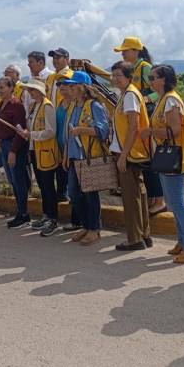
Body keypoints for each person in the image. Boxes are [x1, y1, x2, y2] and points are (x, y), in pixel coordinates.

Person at [140, 65, 184, 263]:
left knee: (177, 203)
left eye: (153, 77)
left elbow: (174, 130)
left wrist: (151, 133)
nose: (150, 80)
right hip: (168, 156)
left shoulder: (171, 100)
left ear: (164, 79)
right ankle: (183, 241)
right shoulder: (164, 99)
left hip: (174, 156)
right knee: (174, 202)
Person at [114, 36, 166, 217]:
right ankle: (153, 198)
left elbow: (160, 92)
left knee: (150, 159)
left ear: (136, 51)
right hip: (141, 118)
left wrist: (145, 99)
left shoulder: (145, 69)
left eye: (125, 50)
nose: (123, 53)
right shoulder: (133, 69)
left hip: (147, 118)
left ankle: (159, 200)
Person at [63, 71, 109, 245]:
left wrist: (82, 131)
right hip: (75, 157)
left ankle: (94, 229)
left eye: (73, 85)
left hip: (89, 157)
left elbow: (102, 131)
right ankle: (86, 225)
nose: (70, 89)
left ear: (83, 88)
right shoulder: (74, 106)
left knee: (90, 194)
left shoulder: (94, 106)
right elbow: (69, 132)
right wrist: (66, 154)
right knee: (74, 194)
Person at [109, 61, 151, 250]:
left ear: (128, 76)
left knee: (130, 196)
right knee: (138, 193)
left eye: (119, 75)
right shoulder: (127, 94)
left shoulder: (129, 96)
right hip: (132, 151)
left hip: (129, 152)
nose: (115, 78)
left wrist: (123, 155)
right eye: (113, 75)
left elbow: (134, 126)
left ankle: (134, 239)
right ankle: (144, 235)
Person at [19, 78, 60, 237]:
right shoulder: (35, 106)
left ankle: (53, 218)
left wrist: (31, 134)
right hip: (36, 150)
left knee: (49, 186)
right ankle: (46, 215)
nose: (31, 92)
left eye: (33, 90)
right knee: (43, 186)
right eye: (30, 90)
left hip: (46, 151)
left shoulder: (47, 106)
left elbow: (51, 131)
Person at [0, 76, 31, 229]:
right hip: (4, 145)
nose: (0, 90)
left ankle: (24, 214)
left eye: (2, 87)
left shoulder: (17, 106)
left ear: (11, 88)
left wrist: (13, 151)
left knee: (19, 181)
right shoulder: (1, 104)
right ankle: (20, 212)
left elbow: (20, 131)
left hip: (14, 146)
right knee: (12, 181)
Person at [55, 81, 82, 230]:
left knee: (76, 189)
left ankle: (81, 222)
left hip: (76, 151)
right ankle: (78, 222)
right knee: (71, 188)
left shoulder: (77, 105)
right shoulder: (60, 103)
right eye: (60, 85)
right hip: (63, 149)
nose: (63, 87)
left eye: (68, 85)